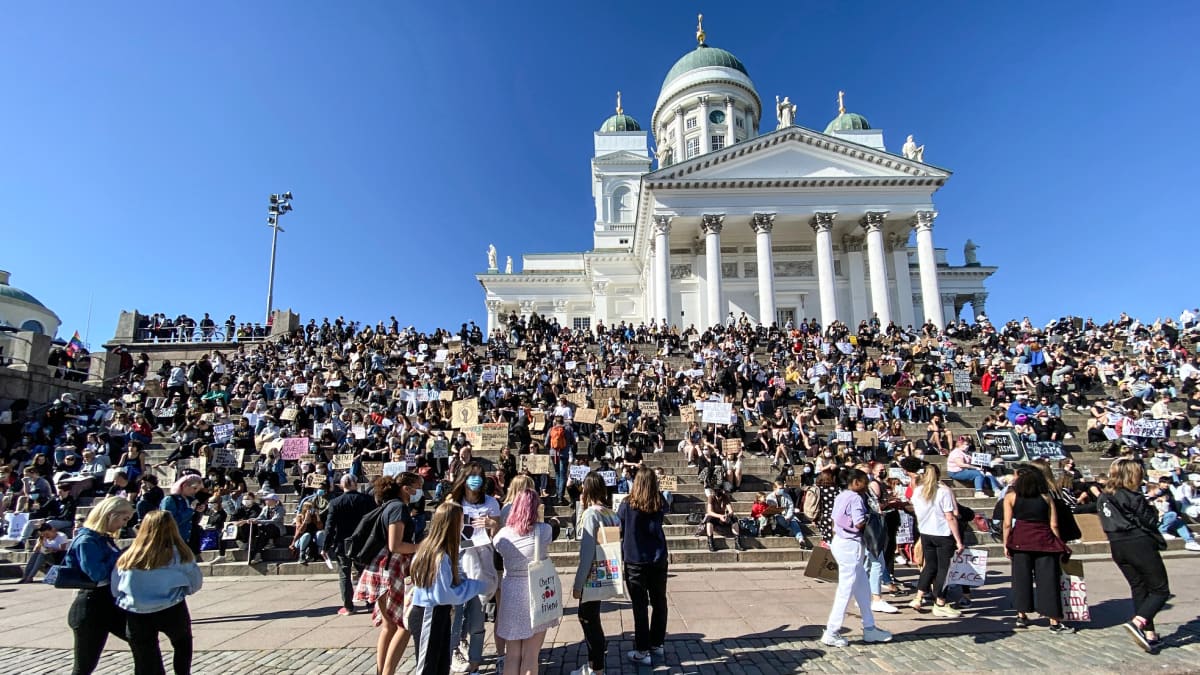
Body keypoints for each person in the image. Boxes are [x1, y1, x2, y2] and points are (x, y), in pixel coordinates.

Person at [112, 510, 203, 675]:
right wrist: (182, 590)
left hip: (136, 611)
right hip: (171, 607)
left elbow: (116, 587)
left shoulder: (128, 555)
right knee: (182, 644)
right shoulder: (180, 554)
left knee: (144, 656)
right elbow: (195, 583)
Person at [406, 502, 492, 675]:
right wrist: (475, 586)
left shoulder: (441, 550)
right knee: (428, 667)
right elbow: (444, 594)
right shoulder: (436, 554)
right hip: (428, 613)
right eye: (460, 521)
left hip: (439, 612)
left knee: (441, 664)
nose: (463, 525)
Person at [1098, 459, 1172, 652]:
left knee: (1139, 588)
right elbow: (1150, 521)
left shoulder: (1104, 496)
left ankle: (1149, 633)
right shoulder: (1132, 496)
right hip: (1138, 542)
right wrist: (1153, 508)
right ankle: (1138, 622)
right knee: (1160, 590)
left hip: (1117, 545)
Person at [354, 473, 423, 675]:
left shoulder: (389, 505)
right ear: (405, 487)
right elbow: (396, 544)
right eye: (417, 486)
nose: (419, 491)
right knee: (404, 624)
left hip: (382, 568)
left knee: (389, 626)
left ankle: (381, 671)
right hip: (391, 568)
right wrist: (420, 546)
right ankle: (388, 672)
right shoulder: (398, 508)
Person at [62, 496, 135, 675]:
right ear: (110, 515)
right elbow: (96, 573)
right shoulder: (87, 540)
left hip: (108, 602)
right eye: (123, 519)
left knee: (142, 640)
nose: (124, 525)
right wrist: (122, 557)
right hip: (91, 606)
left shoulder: (103, 539)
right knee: (84, 665)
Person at [822, 468, 893, 647]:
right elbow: (859, 521)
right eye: (863, 481)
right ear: (855, 482)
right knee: (846, 588)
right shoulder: (855, 497)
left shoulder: (842, 495)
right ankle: (832, 630)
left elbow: (835, 518)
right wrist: (874, 517)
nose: (866, 484)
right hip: (850, 544)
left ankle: (869, 627)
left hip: (841, 541)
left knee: (862, 587)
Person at [493, 488, 558, 675]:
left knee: (512, 654)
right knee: (531, 655)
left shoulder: (502, 536)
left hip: (511, 592)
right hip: (536, 590)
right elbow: (553, 528)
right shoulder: (544, 531)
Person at [1002, 466, 1074, 633]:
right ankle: (1054, 620)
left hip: (1020, 539)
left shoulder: (1011, 497)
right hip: (1044, 541)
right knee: (1048, 581)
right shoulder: (1045, 497)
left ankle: (1021, 615)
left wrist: (1006, 543)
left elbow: (1007, 524)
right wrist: (1058, 542)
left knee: (1021, 579)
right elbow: (1054, 524)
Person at [447, 464, 500, 675]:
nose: (476, 481)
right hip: (458, 561)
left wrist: (490, 523)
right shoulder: (454, 501)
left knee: (478, 612)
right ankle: (454, 650)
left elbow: (497, 530)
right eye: (472, 476)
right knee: (457, 611)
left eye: (479, 477)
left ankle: (475, 660)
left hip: (482, 559)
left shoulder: (491, 502)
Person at [570, 473, 621, 675]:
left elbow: (587, 552)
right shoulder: (611, 513)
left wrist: (577, 584)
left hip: (592, 575)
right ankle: (594, 663)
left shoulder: (592, 514)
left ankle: (596, 667)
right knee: (592, 617)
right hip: (607, 571)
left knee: (587, 618)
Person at [617, 468, 668, 667]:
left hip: (635, 559)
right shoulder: (659, 502)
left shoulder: (627, 504)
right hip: (657, 558)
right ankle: (657, 643)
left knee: (639, 606)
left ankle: (642, 649)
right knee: (659, 602)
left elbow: (619, 525)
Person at [907, 463, 963, 617]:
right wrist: (958, 540)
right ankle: (940, 602)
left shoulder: (918, 491)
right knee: (944, 569)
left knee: (930, 566)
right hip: (942, 533)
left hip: (926, 532)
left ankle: (918, 597)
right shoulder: (943, 492)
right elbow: (950, 517)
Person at [324, 474, 376, 614]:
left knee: (344, 575)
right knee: (365, 572)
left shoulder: (335, 502)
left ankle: (348, 606)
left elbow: (329, 526)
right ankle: (370, 602)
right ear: (356, 484)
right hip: (363, 542)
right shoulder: (367, 500)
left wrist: (325, 546)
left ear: (342, 486)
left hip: (343, 542)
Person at [160, 475, 203, 544]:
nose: (196, 491)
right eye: (194, 488)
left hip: (191, 540)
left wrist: (199, 510)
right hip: (174, 541)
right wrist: (190, 510)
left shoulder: (191, 500)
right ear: (184, 485)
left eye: (198, 489)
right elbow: (169, 521)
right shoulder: (170, 500)